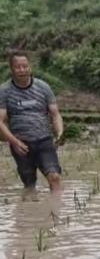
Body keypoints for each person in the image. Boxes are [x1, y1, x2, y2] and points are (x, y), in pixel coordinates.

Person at [0, 51, 64, 200]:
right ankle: (29, 219)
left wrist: (59, 134)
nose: (22, 70)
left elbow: (55, 114)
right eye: (18, 67)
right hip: (21, 144)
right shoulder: (4, 91)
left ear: (30, 67)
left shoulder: (43, 87)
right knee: (29, 185)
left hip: (44, 140)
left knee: (54, 177)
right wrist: (14, 142)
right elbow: (0, 121)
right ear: (11, 69)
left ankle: (56, 211)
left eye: (25, 66)